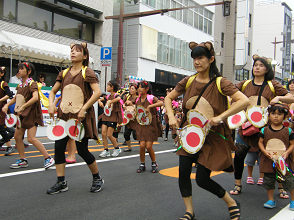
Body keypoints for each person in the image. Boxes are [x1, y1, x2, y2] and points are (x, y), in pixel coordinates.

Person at [165, 41, 250, 220]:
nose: (197, 62)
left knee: (202, 179)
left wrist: (221, 117)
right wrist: (172, 117)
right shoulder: (187, 81)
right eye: (194, 58)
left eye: (201, 58)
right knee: (183, 173)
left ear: (211, 59)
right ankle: (189, 211)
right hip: (189, 136)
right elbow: (169, 98)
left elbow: (243, 101)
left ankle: (231, 202)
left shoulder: (220, 82)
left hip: (212, 138)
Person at [230, 55, 294, 196]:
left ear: (267, 69)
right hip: (245, 128)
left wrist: (279, 97)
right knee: (239, 156)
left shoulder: (272, 85)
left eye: (260, 65)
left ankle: (281, 187)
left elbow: (291, 97)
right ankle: (237, 184)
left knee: (275, 156)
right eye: (255, 65)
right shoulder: (245, 84)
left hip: (267, 129)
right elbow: (230, 93)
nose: (256, 68)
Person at [47, 42, 103, 194]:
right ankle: (61, 182)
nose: (72, 53)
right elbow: (52, 92)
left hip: (80, 118)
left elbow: (97, 92)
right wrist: (51, 104)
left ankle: (97, 178)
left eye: (77, 51)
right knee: (58, 148)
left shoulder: (88, 72)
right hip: (64, 116)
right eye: (71, 50)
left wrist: (84, 108)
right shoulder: (64, 73)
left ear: (84, 56)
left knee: (82, 150)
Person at [2, 62, 55, 169]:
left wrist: (23, 106)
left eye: (22, 69)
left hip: (31, 115)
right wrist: (7, 105)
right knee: (17, 137)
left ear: (29, 71)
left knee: (31, 138)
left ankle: (48, 158)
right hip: (21, 116)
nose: (19, 71)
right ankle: (22, 160)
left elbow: (35, 97)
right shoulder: (20, 85)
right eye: (19, 69)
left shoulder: (32, 84)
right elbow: (16, 97)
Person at [258, 103, 294, 210]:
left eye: (279, 114)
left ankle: (292, 201)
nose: (276, 116)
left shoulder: (288, 131)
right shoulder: (264, 130)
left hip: (284, 162)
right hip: (269, 161)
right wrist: (264, 151)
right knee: (269, 181)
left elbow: (292, 144)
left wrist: (287, 152)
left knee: (289, 181)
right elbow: (260, 142)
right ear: (269, 115)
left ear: (284, 116)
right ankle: (270, 200)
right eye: (273, 113)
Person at [135, 81, 163, 173]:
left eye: (141, 87)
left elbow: (161, 103)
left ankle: (154, 163)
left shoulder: (151, 97)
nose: (139, 89)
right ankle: (142, 164)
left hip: (151, 124)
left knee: (148, 146)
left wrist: (150, 106)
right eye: (138, 87)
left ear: (147, 89)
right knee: (142, 145)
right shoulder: (137, 99)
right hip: (142, 124)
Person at [98, 80, 122, 158]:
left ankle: (117, 148)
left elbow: (119, 99)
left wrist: (110, 102)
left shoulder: (116, 95)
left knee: (109, 134)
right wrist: (99, 102)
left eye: (108, 85)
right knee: (103, 133)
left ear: (112, 87)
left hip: (113, 118)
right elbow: (99, 98)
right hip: (106, 116)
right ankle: (106, 150)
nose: (107, 87)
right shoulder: (108, 96)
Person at [0, 66, 15, 155]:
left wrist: (0, 100)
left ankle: (9, 146)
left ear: (2, 74)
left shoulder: (3, 83)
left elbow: (9, 94)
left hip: (2, 109)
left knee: (1, 128)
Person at [122, 83, 138, 152]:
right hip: (128, 118)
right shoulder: (127, 96)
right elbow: (122, 102)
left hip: (135, 119)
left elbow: (140, 106)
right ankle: (129, 147)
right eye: (130, 88)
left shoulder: (138, 97)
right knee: (126, 134)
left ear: (136, 90)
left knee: (136, 136)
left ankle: (145, 147)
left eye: (132, 88)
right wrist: (124, 106)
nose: (131, 90)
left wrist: (132, 104)